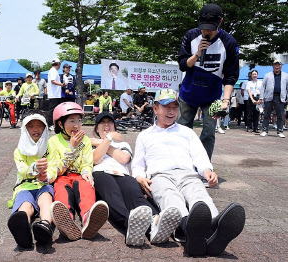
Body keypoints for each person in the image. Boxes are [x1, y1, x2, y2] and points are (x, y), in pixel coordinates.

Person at [131, 89, 245, 257]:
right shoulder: (145, 136)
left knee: (199, 195)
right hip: (160, 176)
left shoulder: (186, 132)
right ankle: (197, 230)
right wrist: (139, 177)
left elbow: (200, 156)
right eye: (166, 107)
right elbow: (138, 164)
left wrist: (207, 171)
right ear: (155, 109)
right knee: (171, 197)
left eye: (175, 107)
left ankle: (208, 228)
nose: (171, 112)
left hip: (188, 174)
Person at [91, 112, 181, 246]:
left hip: (122, 174)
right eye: (102, 123)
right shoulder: (89, 144)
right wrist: (107, 139)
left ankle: (155, 224)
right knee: (114, 198)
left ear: (114, 127)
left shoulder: (123, 144)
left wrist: (105, 141)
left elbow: (124, 158)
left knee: (135, 196)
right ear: (96, 128)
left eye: (109, 122)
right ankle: (130, 226)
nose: (106, 125)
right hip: (101, 173)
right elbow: (96, 159)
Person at [177, 3, 239, 160]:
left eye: (210, 28)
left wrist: (226, 101)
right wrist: (197, 53)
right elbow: (183, 65)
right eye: (203, 27)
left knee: (209, 133)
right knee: (183, 131)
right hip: (188, 93)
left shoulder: (229, 42)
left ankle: (203, 167)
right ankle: (182, 164)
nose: (206, 32)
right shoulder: (191, 35)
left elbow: (231, 75)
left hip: (212, 97)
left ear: (220, 22)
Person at [47, 102, 109, 240]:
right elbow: (56, 168)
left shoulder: (85, 140)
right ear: (61, 124)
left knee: (86, 186)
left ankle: (88, 218)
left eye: (79, 121)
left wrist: (87, 172)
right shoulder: (53, 142)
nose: (76, 125)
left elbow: (87, 162)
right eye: (72, 121)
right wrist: (72, 147)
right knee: (61, 190)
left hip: (79, 175)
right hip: (61, 176)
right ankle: (66, 221)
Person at [7, 109, 55, 248]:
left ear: (45, 128)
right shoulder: (19, 150)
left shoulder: (49, 147)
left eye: (40, 126)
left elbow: (53, 166)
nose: (36, 129)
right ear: (24, 129)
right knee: (25, 205)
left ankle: (45, 225)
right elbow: (22, 170)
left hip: (44, 184)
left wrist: (46, 176)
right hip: (25, 186)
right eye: (31, 126)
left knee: (45, 198)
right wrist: (34, 169)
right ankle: (23, 227)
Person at [259, 59, 288, 138]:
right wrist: (261, 97)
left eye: (278, 65)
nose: (277, 66)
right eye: (275, 65)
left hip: (280, 98)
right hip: (269, 97)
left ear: (281, 66)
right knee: (266, 115)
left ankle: (280, 131)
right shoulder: (267, 75)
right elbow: (263, 87)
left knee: (280, 115)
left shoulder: (286, 75)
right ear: (273, 66)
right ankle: (265, 130)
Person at [48, 58, 67, 131]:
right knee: (52, 109)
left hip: (55, 94)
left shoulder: (53, 71)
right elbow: (53, 81)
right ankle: (50, 124)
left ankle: (54, 123)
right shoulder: (53, 71)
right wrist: (62, 84)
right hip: (54, 94)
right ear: (58, 64)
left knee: (55, 109)